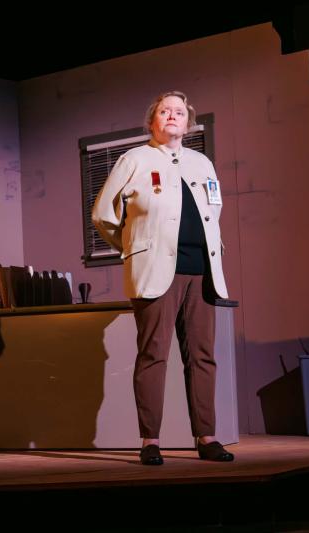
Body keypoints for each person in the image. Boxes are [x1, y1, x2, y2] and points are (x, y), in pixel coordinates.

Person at [92, 91, 234, 466]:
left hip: (201, 271)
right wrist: (134, 248)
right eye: (164, 111)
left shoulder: (202, 163)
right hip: (156, 272)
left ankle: (207, 437)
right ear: (152, 121)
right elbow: (103, 215)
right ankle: (150, 441)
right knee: (153, 355)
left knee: (203, 357)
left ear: (188, 123)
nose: (172, 115)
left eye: (179, 112)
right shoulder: (134, 159)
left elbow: (214, 211)